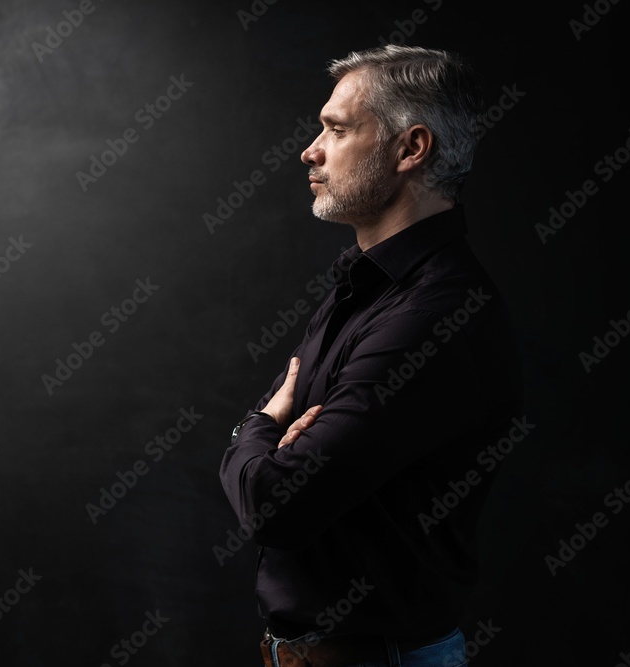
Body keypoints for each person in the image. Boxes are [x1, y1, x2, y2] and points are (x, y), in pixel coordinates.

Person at [219, 45, 523, 667]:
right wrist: (268, 442)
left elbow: (276, 506)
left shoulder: (436, 315)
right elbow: (276, 476)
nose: (310, 149)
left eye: (336, 128)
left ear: (411, 150)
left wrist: (259, 429)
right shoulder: (362, 285)